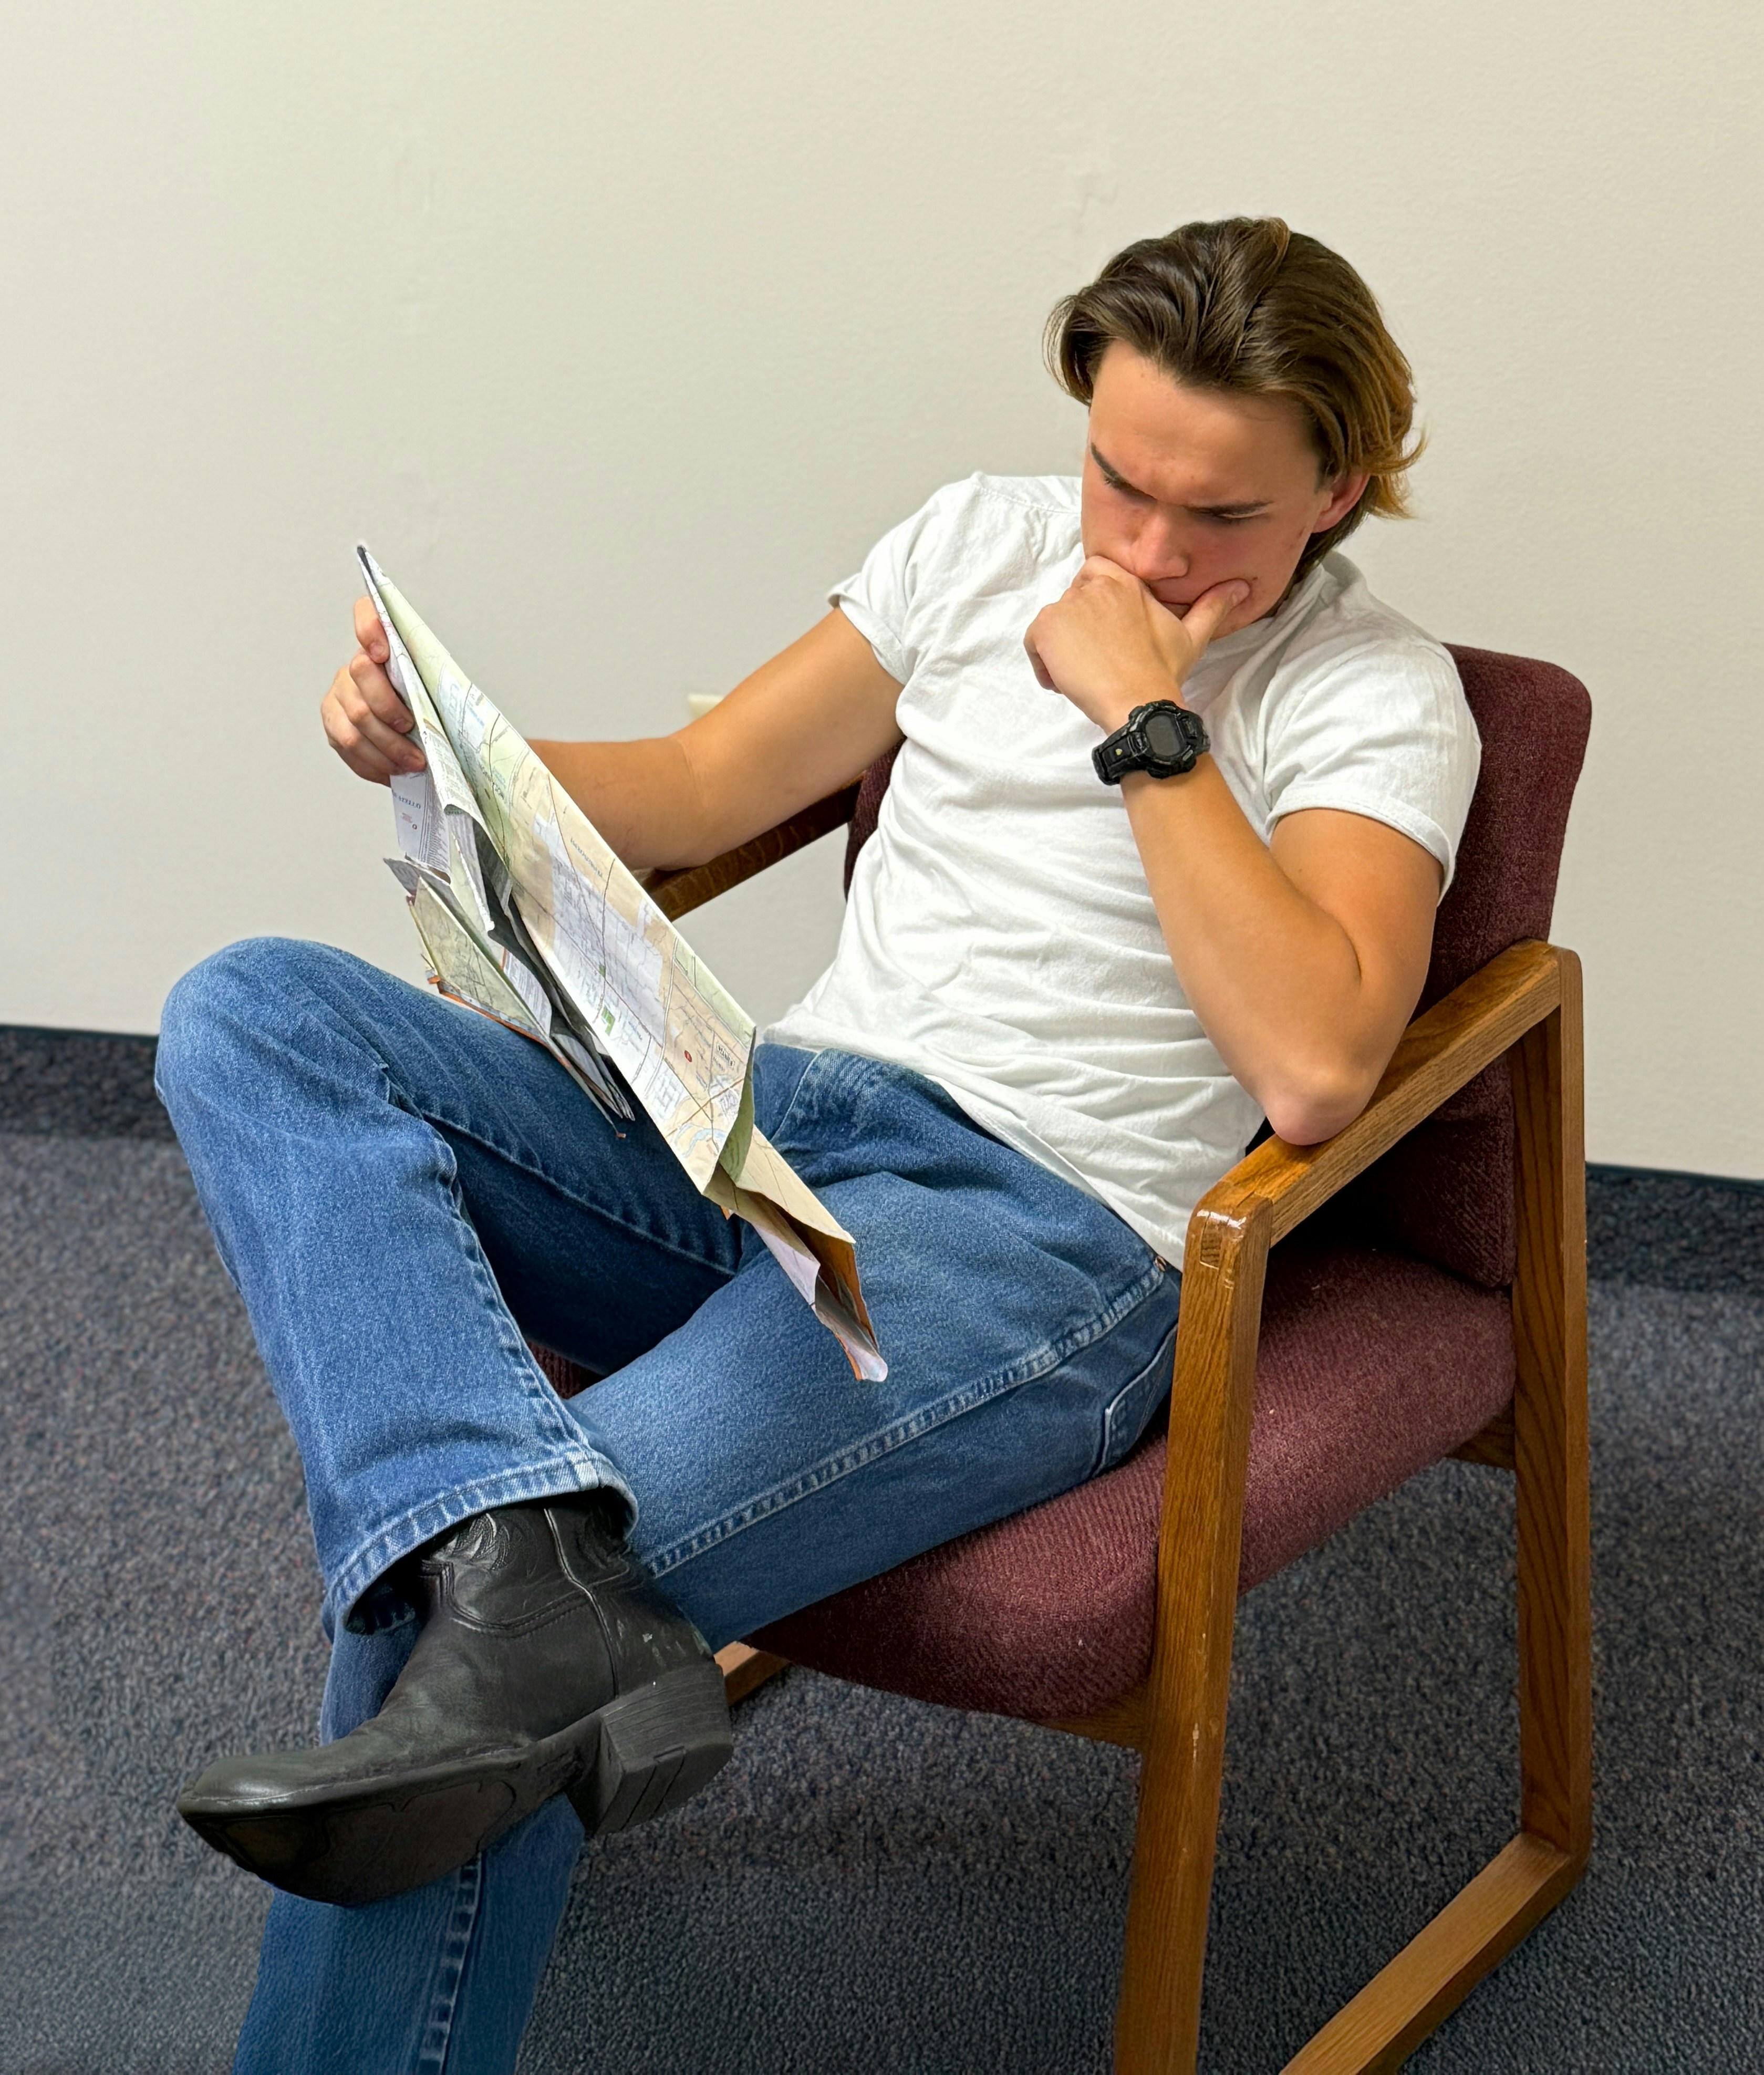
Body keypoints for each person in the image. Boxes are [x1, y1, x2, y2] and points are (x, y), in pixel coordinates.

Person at [155, 215, 1479, 2070]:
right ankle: (506, 1551)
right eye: (1122, 480)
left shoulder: (1374, 694)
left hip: (1030, 1240)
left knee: (463, 1642)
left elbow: (1322, 1062)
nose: (1155, 551)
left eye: (1226, 518)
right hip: (762, 1135)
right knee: (258, 1010)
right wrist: (445, 751)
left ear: (1339, 486)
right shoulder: (966, 546)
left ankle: (502, 1597)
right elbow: (703, 789)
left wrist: (1141, 714)